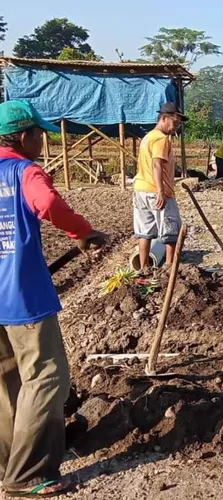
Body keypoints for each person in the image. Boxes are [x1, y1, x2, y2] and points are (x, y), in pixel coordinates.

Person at [0, 100, 107, 497]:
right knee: (45, 377)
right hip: (22, 296)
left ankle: (9, 460)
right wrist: (83, 232)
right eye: (39, 134)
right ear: (25, 136)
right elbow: (47, 204)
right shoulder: (24, 171)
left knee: (6, 379)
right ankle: (28, 474)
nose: (42, 141)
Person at [133, 102, 186, 274]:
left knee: (144, 232)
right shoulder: (161, 139)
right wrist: (161, 191)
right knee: (170, 229)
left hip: (140, 189)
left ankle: (143, 268)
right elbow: (157, 164)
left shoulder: (148, 137)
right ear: (164, 118)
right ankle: (169, 267)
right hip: (156, 190)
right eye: (175, 123)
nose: (176, 127)